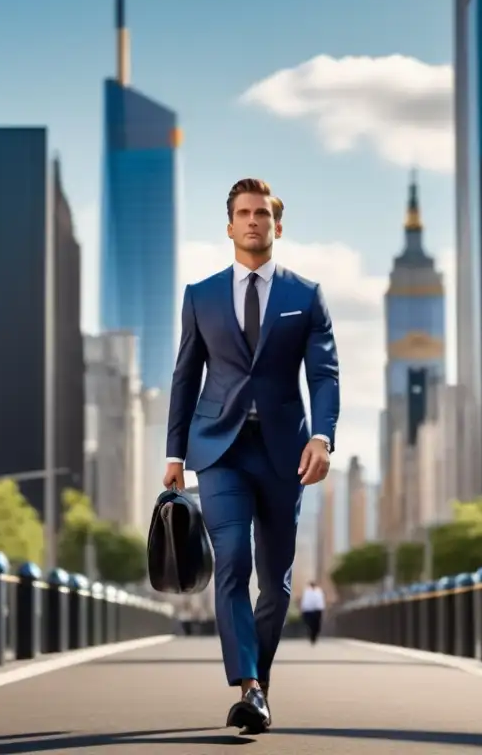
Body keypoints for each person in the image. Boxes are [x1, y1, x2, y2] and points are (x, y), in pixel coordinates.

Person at [164, 178, 340, 735]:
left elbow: (325, 375)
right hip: (219, 448)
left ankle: (256, 684)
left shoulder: (305, 296)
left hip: (286, 452)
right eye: (243, 213)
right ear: (230, 224)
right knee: (233, 559)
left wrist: (323, 437)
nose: (253, 221)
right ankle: (249, 687)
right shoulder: (201, 295)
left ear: (277, 225)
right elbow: (185, 376)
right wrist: (174, 453)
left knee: (277, 581)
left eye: (262, 213)